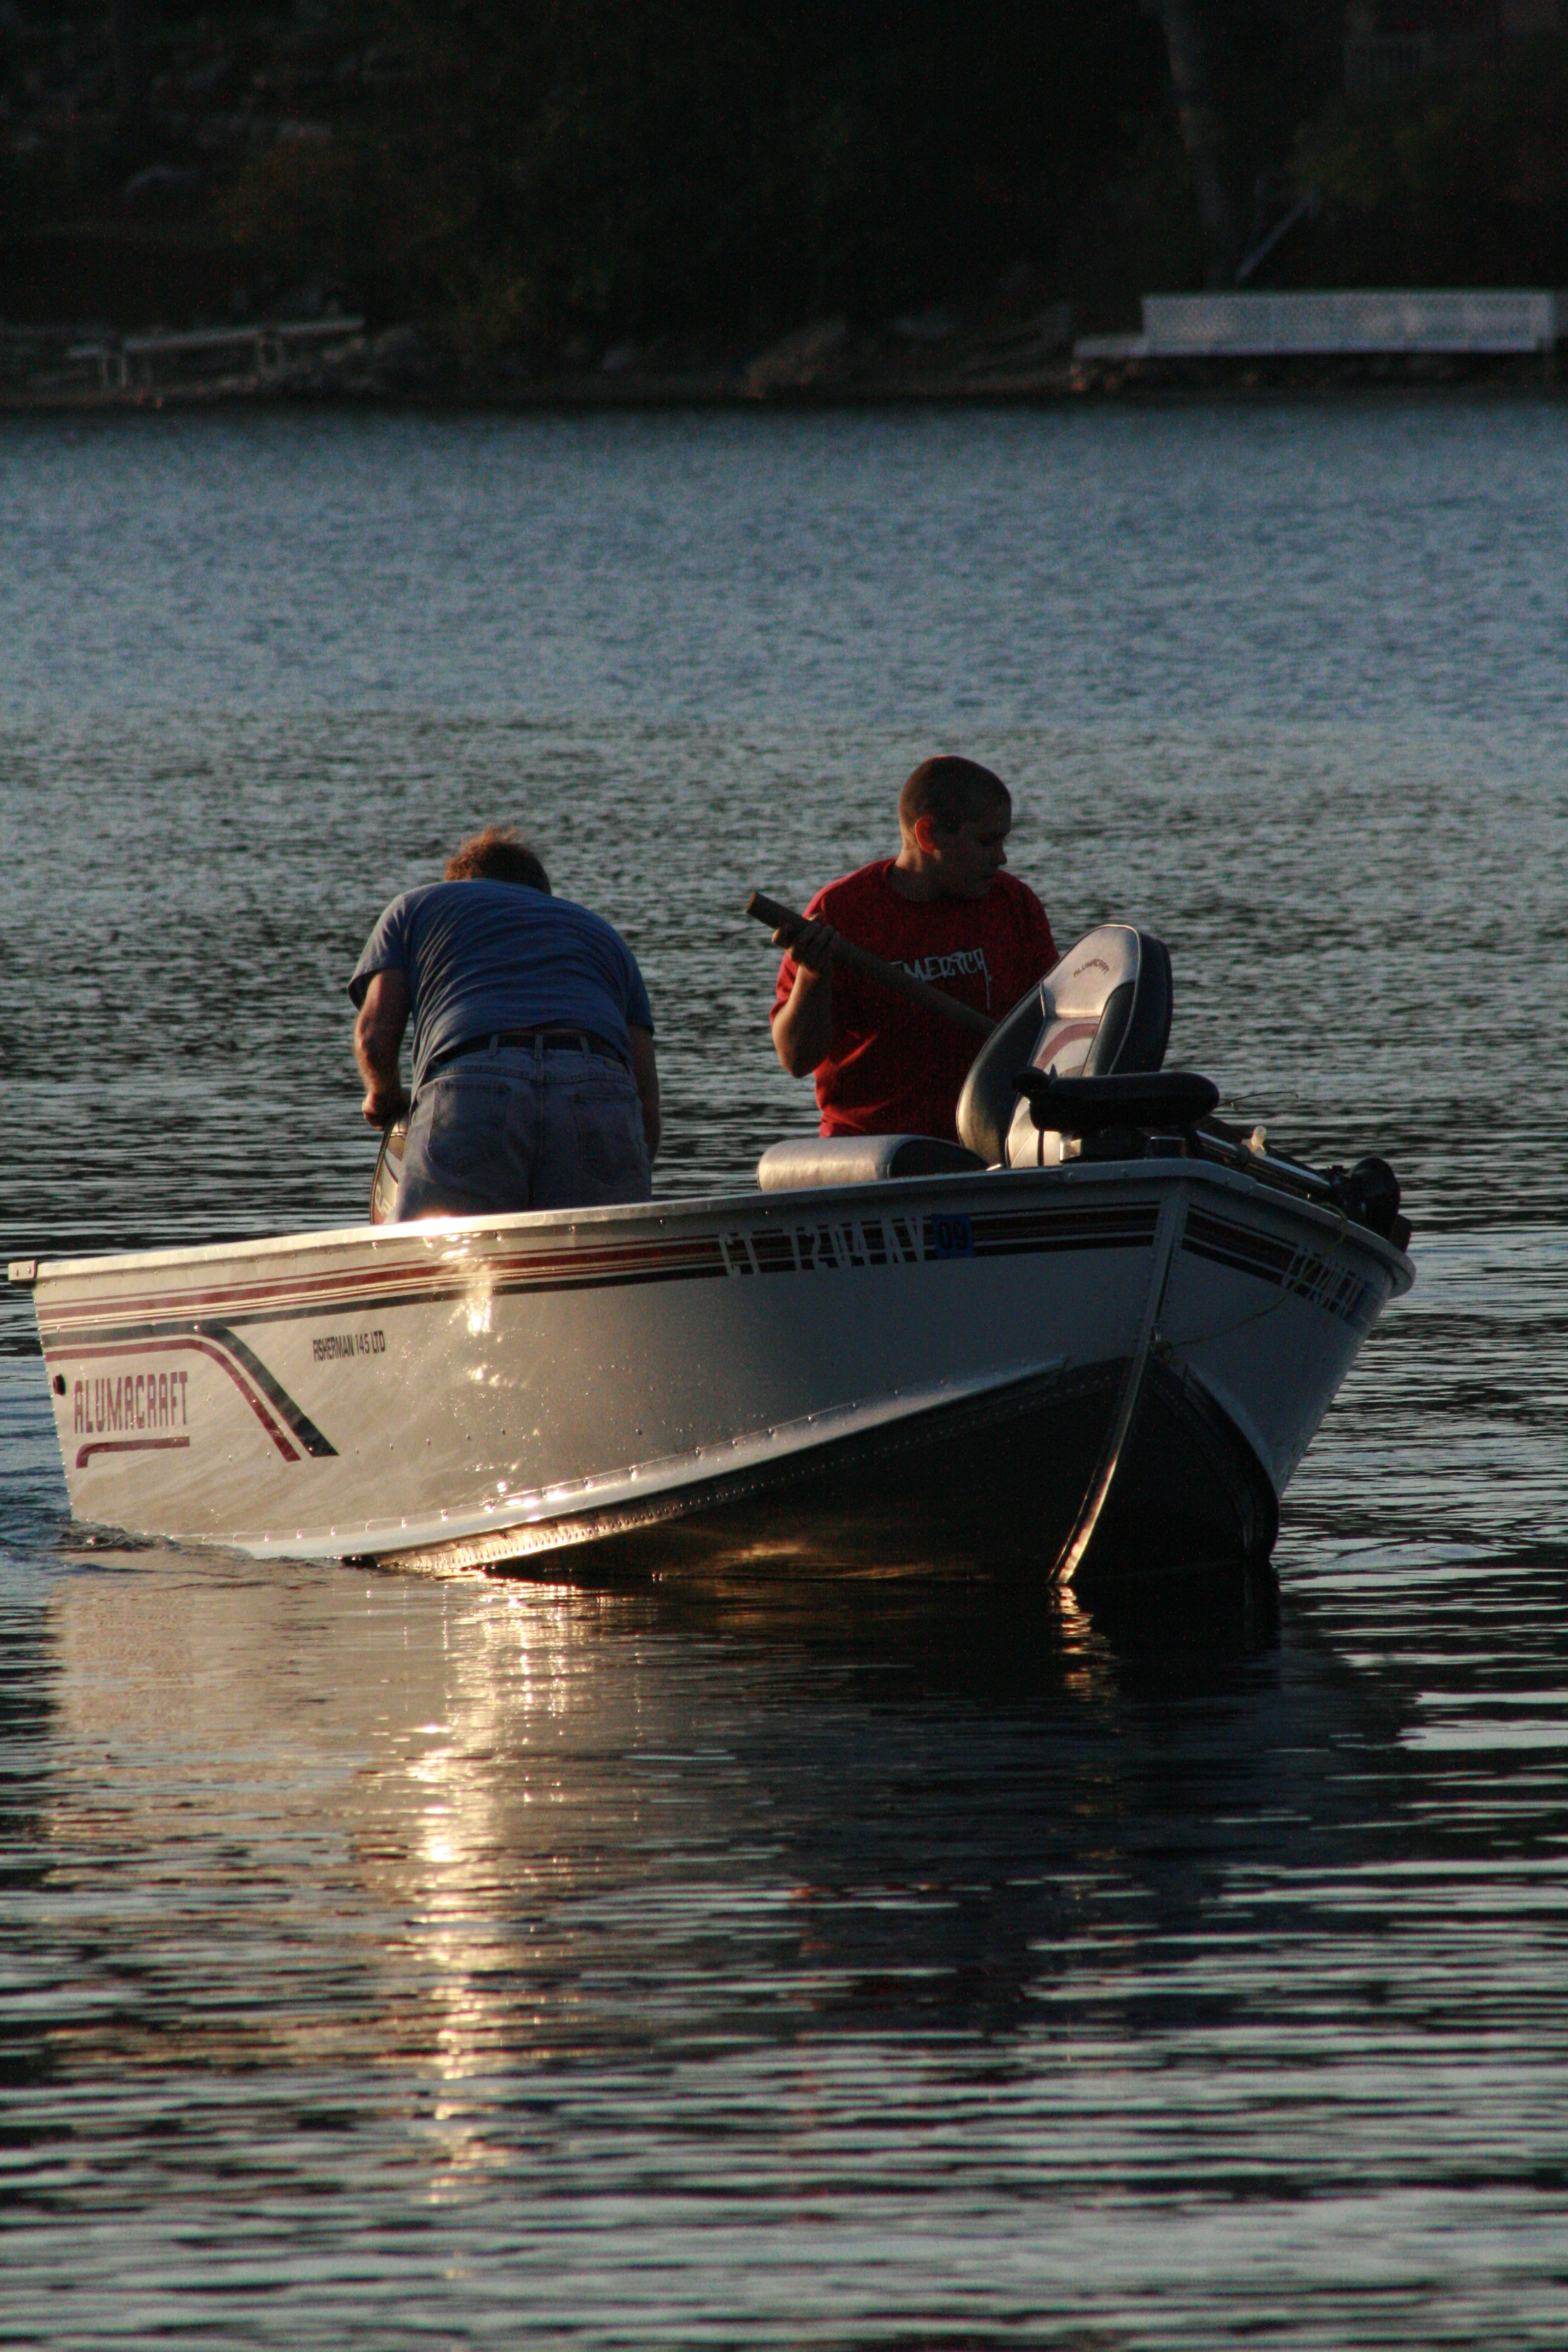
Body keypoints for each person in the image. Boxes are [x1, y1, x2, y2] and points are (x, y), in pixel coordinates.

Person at [351, 825, 659, 1220]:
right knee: (605, 1262)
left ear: (460, 884)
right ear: (540, 892)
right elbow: (647, 1103)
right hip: (598, 1084)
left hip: (474, 1086)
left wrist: (383, 1097)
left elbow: (372, 1039)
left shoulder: (416, 906)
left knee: (434, 1265)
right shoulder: (605, 936)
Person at [771, 756, 1056, 1141]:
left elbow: (1055, 1028)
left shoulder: (1014, 905)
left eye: (1003, 840)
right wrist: (812, 977)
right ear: (929, 836)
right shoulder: (839, 914)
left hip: (989, 1146)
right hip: (874, 1157)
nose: (1001, 857)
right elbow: (796, 1061)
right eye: (986, 841)